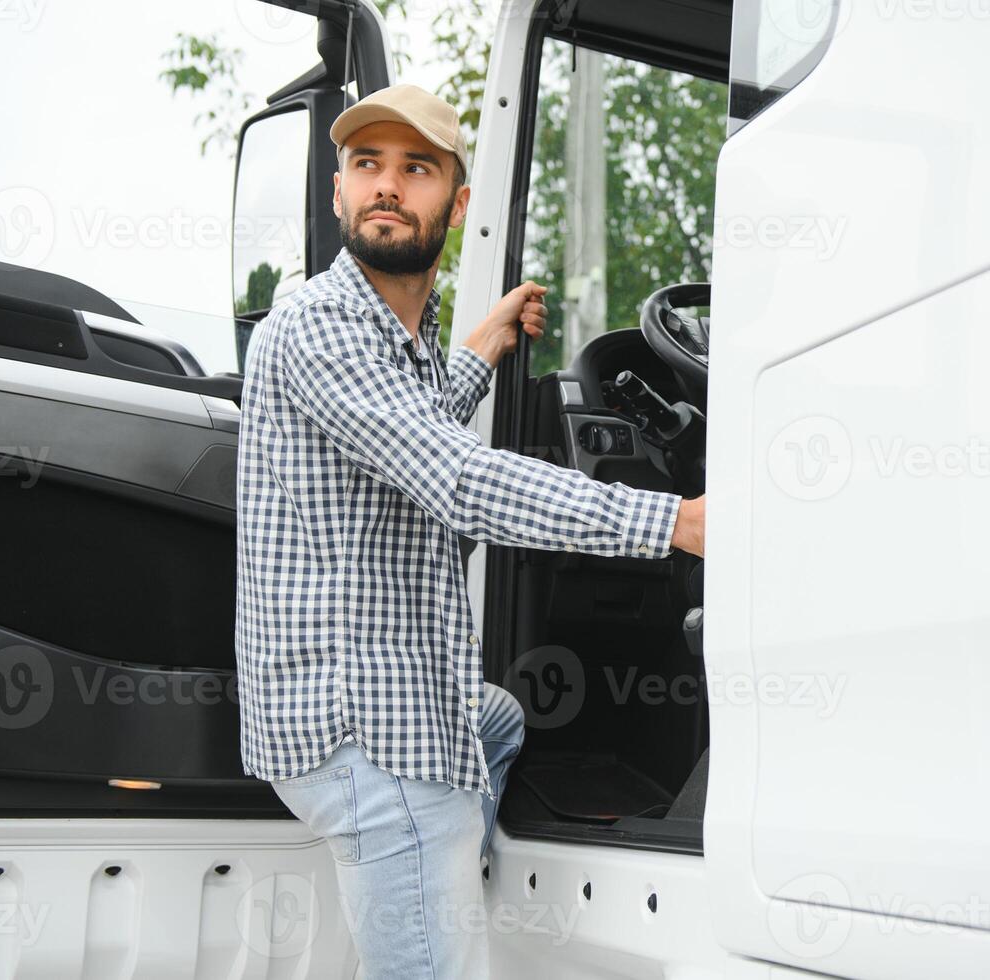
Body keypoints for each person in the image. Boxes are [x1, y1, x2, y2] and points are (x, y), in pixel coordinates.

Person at [233, 83, 706, 978]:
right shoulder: (317, 327)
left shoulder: (395, 338)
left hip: (400, 696)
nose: (385, 185)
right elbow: (453, 476)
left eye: (415, 169)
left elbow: (408, 429)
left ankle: (435, 883)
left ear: (453, 204)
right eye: (366, 165)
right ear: (337, 192)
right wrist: (674, 520)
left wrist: (482, 349)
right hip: (366, 736)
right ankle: (429, 876)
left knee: (497, 721)